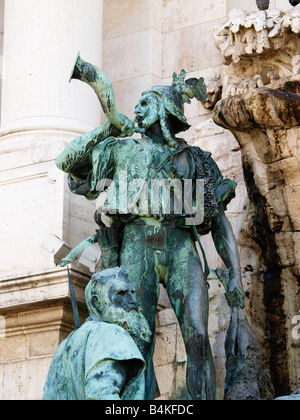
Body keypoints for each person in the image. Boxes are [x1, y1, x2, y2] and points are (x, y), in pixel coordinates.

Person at [55, 59, 245, 400]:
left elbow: (218, 221)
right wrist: (107, 129)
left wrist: (235, 275)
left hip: (180, 246)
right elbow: (66, 162)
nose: (136, 110)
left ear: (163, 110)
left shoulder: (196, 159)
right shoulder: (122, 148)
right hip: (136, 245)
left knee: (198, 336)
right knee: (138, 337)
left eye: (145, 103)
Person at [42, 267, 151, 400]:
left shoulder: (65, 345)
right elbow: (100, 395)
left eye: (132, 292)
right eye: (121, 293)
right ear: (96, 302)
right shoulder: (112, 334)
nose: (132, 300)